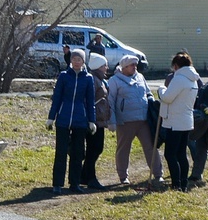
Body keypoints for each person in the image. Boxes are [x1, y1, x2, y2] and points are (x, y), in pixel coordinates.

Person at [107, 54, 164, 185]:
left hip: (143, 120)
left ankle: (158, 173)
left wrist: (150, 100)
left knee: (151, 147)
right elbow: (110, 101)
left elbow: (148, 92)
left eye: (135, 65)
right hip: (125, 121)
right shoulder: (114, 80)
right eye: (132, 65)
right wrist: (112, 120)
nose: (135, 67)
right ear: (124, 67)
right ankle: (123, 176)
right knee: (124, 148)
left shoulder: (140, 77)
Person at [47, 49, 96, 194]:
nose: (76, 61)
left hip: (80, 121)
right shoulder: (63, 76)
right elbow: (57, 98)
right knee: (61, 152)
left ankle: (75, 183)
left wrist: (91, 120)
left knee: (77, 153)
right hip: (63, 119)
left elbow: (90, 101)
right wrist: (51, 117)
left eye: (79, 59)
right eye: (74, 59)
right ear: (70, 61)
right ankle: (57, 184)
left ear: (83, 61)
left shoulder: (88, 78)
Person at [159, 51, 200, 192]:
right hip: (187, 121)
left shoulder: (179, 79)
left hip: (175, 121)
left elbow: (167, 98)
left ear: (176, 66)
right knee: (181, 153)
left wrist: (161, 90)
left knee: (170, 154)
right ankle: (183, 183)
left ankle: (176, 183)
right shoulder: (193, 79)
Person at [81, 52, 110, 189]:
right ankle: (90, 178)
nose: (107, 68)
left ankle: (85, 175)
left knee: (96, 148)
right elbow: (89, 100)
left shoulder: (100, 79)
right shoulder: (93, 80)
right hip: (94, 120)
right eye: (105, 65)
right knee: (94, 148)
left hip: (99, 120)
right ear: (98, 66)